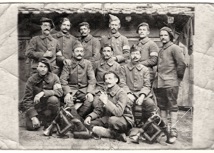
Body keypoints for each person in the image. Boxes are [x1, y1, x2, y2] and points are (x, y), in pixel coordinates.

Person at [153, 27, 186, 144]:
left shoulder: (175, 48)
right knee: (162, 107)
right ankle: (164, 129)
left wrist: (177, 79)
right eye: (161, 35)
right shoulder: (161, 50)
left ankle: (173, 130)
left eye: (165, 35)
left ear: (170, 36)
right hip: (160, 84)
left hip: (171, 83)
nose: (163, 37)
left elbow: (182, 64)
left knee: (172, 106)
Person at [120, 45, 157, 142]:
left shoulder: (145, 69)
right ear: (130, 55)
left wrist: (142, 96)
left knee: (150, 103)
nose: (135, 56)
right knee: (126, 103)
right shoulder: (124, 68)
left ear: (140, 56)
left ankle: (147, 128)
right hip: (128, 93)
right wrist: (128, 93)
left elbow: (147, 85)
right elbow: (122, 83)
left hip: (142, 94)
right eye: (133, 54)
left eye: (137, 54)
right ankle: (128, 128)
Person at [84, 71, 134, 142]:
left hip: (124, 119)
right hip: (108, 118)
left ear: (116, 80)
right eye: (106, 79)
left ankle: (102, 132)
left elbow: (119, 112)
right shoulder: (105, 92)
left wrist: (106, 101)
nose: (107, 81)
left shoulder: (121, 93)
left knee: (112, 120)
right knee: (88, 124)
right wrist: (90, 117)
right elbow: (98, 110)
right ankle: (116, 135)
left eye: (110, 79)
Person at [19, 58, 63, 131]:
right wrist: (33, 116)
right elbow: (27, 99)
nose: (43, 69)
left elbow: (59, 92)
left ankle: (51, 121)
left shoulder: (54, 77)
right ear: (37, 67)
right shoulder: (31, 79)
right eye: (41, 66)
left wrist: (43, 93)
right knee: (31, 127)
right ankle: (39, 119)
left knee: (54, 99)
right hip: (36, 108)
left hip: (49, 108)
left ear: (48, 68)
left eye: (45, 67)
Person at [60, 43, 96, 121]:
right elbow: (63, 80)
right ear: (73, 53)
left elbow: (92, 79)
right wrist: (67, 93)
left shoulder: (88, 63)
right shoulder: (68, 64)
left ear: (83, 53)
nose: (79, 53)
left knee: (89, 100)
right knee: (68, 102)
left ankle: (76, 119)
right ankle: (78, 121)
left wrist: (89, 92)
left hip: (84, 90)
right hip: (71, 90)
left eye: (81, 51)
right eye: (77, 51)